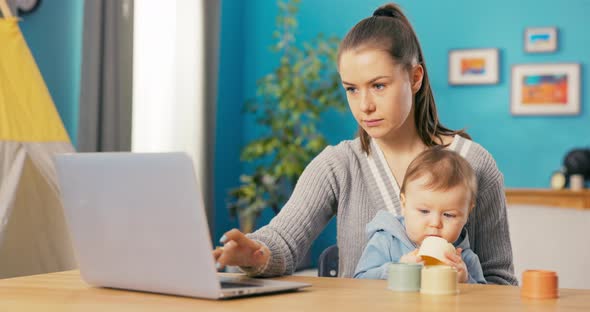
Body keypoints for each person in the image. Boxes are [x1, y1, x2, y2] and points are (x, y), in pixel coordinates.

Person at [214, 3, 517, 285]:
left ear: (415, 78)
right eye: (352, 89)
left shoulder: (474, 164)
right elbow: (282, 240)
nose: (365, 106)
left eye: (378, 85)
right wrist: (254, 253)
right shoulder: (338, 164)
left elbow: (501, 281)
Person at [354, 147, 486, 284]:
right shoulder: (386, 241)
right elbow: (360, 280)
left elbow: (484, 298)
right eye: (424, 211)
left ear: (467, 214)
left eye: (448, 215)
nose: (435, 223)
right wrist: (398, 269)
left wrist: (465, 281)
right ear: (404, 205)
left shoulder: (464, 259)